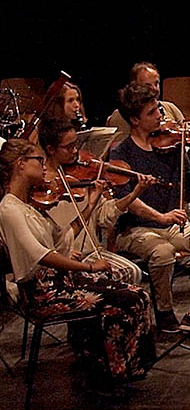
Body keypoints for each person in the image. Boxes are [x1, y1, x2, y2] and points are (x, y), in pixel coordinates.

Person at [0, 138, 155, 396]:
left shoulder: (28, 206)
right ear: (20, 164)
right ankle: (107, 373)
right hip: (43, 292)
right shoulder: (9, 209)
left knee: (136, 293)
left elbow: (65, 236)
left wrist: (92, 201)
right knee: (124, 300)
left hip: (62, 282)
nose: (44, 168)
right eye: (39, 161)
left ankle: (117, 369)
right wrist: (90, 268)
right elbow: (43, 256)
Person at [109, 83, 190, 333]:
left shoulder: (173, 146)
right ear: (135, 120)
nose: (160, 115)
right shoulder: (121, 153)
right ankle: (165, 311)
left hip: (172, 224)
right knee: (163, 251)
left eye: (158, 109)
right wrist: (161, 216)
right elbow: (127, 201)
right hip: (135, 230)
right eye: (151, 113)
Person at [37, 119, 148, 287]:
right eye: (68, 147)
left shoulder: (82, 176)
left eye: (76, 145)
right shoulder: (40, 186)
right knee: (122, 277)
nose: (75, 151)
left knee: (133, 272)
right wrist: (63, 253)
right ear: (51, 149)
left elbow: (105, 215)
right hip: (63, 257)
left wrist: (134, 193)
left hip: (91, 252)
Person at [107, 63, 187, 144]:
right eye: (148, 85)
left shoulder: (170, 107)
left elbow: (186, 136)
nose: (155, 89)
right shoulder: (120, 116)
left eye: (156, 83)